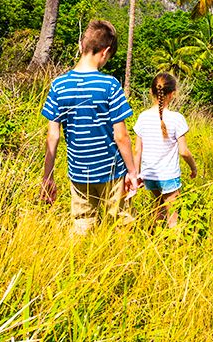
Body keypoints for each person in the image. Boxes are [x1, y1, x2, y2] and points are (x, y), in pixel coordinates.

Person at [39, 19, 139, 234]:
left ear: (81, 46)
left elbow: (53, 136)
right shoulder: (110, 85)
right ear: (105, 52)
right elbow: (121, 136)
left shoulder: (58, 85)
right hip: (111, 171)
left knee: (82, 224)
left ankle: (82, 264)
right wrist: (132, 172)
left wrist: (48, 176)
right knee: (121, 224)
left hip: (79, 173)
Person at [132, 72, 197, 228]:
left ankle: (154, 242)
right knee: (173, 219)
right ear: (172, 94)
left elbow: (137, 151)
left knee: (159, 210)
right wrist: (193, 167)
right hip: (168, 175)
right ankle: (172, 249)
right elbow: (183, 151)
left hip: (149, 175)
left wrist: (136, 174)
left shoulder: (143, 117)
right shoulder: (176, 118)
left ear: (151, 91)